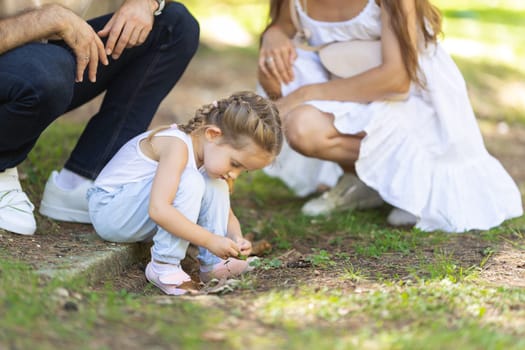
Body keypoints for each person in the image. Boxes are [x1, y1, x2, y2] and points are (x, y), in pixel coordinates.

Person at [256, 0, 523, 232]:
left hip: (409, 99)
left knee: (302, 114)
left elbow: (397, 80)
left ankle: (414, 180)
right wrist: (274, 34)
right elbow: (283, 25)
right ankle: (362, 182)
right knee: (303, 128)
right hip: (344, 88)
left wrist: (304, 94)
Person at [0, 0, 199, 235]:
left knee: (173, 25)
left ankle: (82, 182)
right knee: (47, 74)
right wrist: (48, 19)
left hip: (46, 54)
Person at [87, 91, 283, 295]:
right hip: (111, 210)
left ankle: (214, 265)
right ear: (213, 134)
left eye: (243, 169)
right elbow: (159, 209)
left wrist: (236, 238)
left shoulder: (208, 157)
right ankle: (163, 266)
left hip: (134, 210)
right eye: (235, 164)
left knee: (216, 183)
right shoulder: (177, 146)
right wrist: (209, 239)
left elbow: (227, 213)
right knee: (191, 180)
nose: (235, 174)